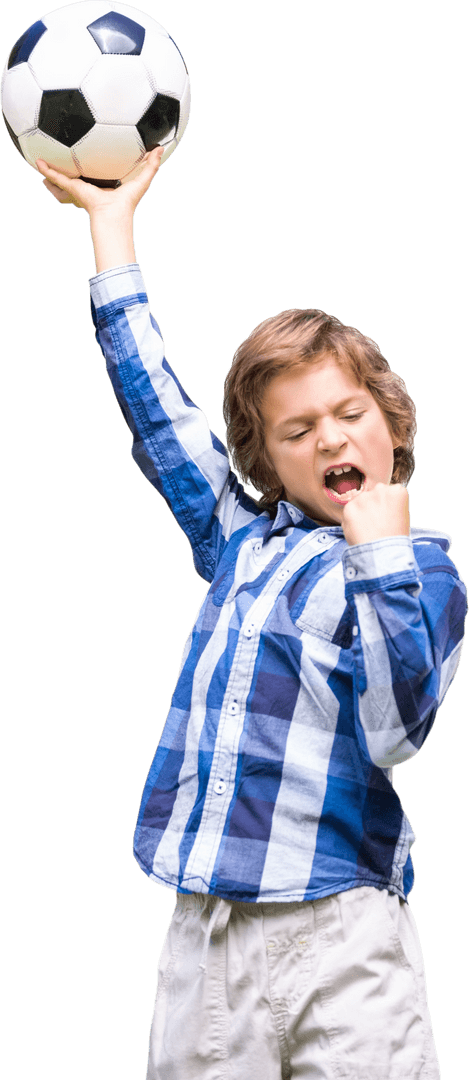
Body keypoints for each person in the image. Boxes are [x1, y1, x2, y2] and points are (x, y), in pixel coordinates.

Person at [37, 149, 466, 1080]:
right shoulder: (242, 535)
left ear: (390, 425)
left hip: (342, 932)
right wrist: (111, 230)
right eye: (296, 430)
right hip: (207, 935)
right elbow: (156, 416)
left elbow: (396, 734)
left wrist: (378, 552)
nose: (329, 439)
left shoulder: (422, 569)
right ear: (268, 463)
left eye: (348, 415)